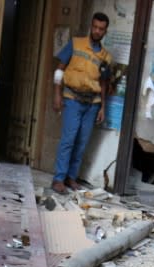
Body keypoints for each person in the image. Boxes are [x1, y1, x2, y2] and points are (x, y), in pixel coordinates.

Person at [52, 12, 112, 194]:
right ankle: (58, 179)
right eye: (95, 27)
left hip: (92, 104)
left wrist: (102, 106)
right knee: (68, 140)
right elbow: (59, 70)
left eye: (101, 29)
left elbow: (104, 83)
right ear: (90, 27)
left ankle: (71, 177)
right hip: (72, 99)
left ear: (105, 32)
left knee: (81, 143)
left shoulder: (106, 57)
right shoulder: (76, 44)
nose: (97, 31)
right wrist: (57, 94)